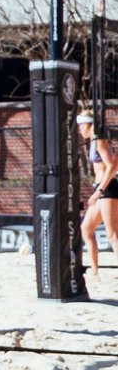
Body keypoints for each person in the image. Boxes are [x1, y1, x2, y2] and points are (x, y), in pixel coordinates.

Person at [78, 110, 118, 275]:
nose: (79, 129)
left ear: (87, 124)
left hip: (107, 189)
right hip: (102, 189)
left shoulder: (99, 141)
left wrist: (99, 190)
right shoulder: (94, 141)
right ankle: (94, 273)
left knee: (113, 235)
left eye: (80, 125)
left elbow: (112, 166)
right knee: (86, 229)